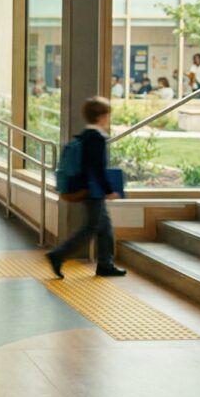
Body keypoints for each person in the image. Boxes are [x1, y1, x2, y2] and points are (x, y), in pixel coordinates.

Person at [46, 96, 126, 279]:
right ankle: (58, 255)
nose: (108, 119)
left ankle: (105, 264)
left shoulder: (85, 135)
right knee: (91, 228)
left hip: (86, 187)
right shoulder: (96, 138)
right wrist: (109, 190)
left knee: (104, 227)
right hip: (93, 189)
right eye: (107, 115)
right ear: (102, 117)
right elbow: (98, 168)